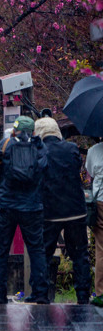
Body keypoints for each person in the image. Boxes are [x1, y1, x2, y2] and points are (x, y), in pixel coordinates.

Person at [0, 115, 49, 304]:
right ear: (32, 131)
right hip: (32, 207)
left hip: (7, 205)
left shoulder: (5, 145)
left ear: (15, 130)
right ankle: (41, 293)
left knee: (0, 249)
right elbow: (45, 171)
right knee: (37, 250)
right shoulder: (40, 148)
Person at [34, 117, 91, 304]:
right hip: (75, 209)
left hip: (50, 212)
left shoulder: (38, 151)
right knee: (80, 253)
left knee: (43, 254)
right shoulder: (72, 148)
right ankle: (83, 295)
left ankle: (41, 294)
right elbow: (76, 170)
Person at [84, 138, 103, 297]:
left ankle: (101, 292)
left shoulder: (93, 151)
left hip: (100, 201)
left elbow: (90, 170)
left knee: (101, 249)